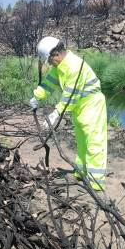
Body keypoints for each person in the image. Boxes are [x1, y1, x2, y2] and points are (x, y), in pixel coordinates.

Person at [29, 37, 108, 191]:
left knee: (94, 143)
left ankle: (96, 183)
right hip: (80, 108)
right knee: (82, 141)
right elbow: (49, 83)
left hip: (92, 105)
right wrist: (37, 96)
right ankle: (81, 173)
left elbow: (70, 96)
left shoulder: (74, 66)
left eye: (50, 61)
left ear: (56, 54)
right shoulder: (60, 66)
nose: (50, 64)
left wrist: (56, 113)